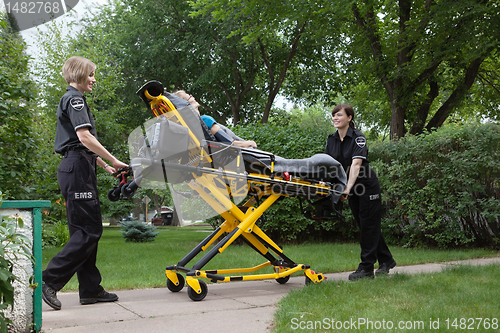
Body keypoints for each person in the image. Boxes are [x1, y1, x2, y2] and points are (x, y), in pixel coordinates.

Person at [42, 56, 129, 310]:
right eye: (90, 74)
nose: (93, 79)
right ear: (79, 74)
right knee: (89, 230)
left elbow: (81, 144)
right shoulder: (75, 99)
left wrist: (105, 166)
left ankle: (90, 289)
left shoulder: (72, 99)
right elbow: (84, 137)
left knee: (85, 230)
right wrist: (113, 158)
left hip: (79, 166)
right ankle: (48, 281)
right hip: (77, 169)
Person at [325, 104, 396, 281]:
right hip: (350, 187)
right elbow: (330, 166)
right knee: (366, 226)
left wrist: (347, 188)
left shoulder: (358, 138)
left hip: (366, 186)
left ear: (349, 118)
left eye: (339, 115)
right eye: (333, 115)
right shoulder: (331, 139)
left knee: (368, 226)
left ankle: (366, 268)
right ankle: (386, 260)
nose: (335, 118)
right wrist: (328, 184)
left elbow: (356, 165)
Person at [173, 90, 257, 149]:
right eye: (189, 96)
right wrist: (248, 143)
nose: (193, 96)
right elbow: (231, 143)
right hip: (243, 152)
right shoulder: (205, 120)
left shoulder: (192, 130)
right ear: (187, 104)